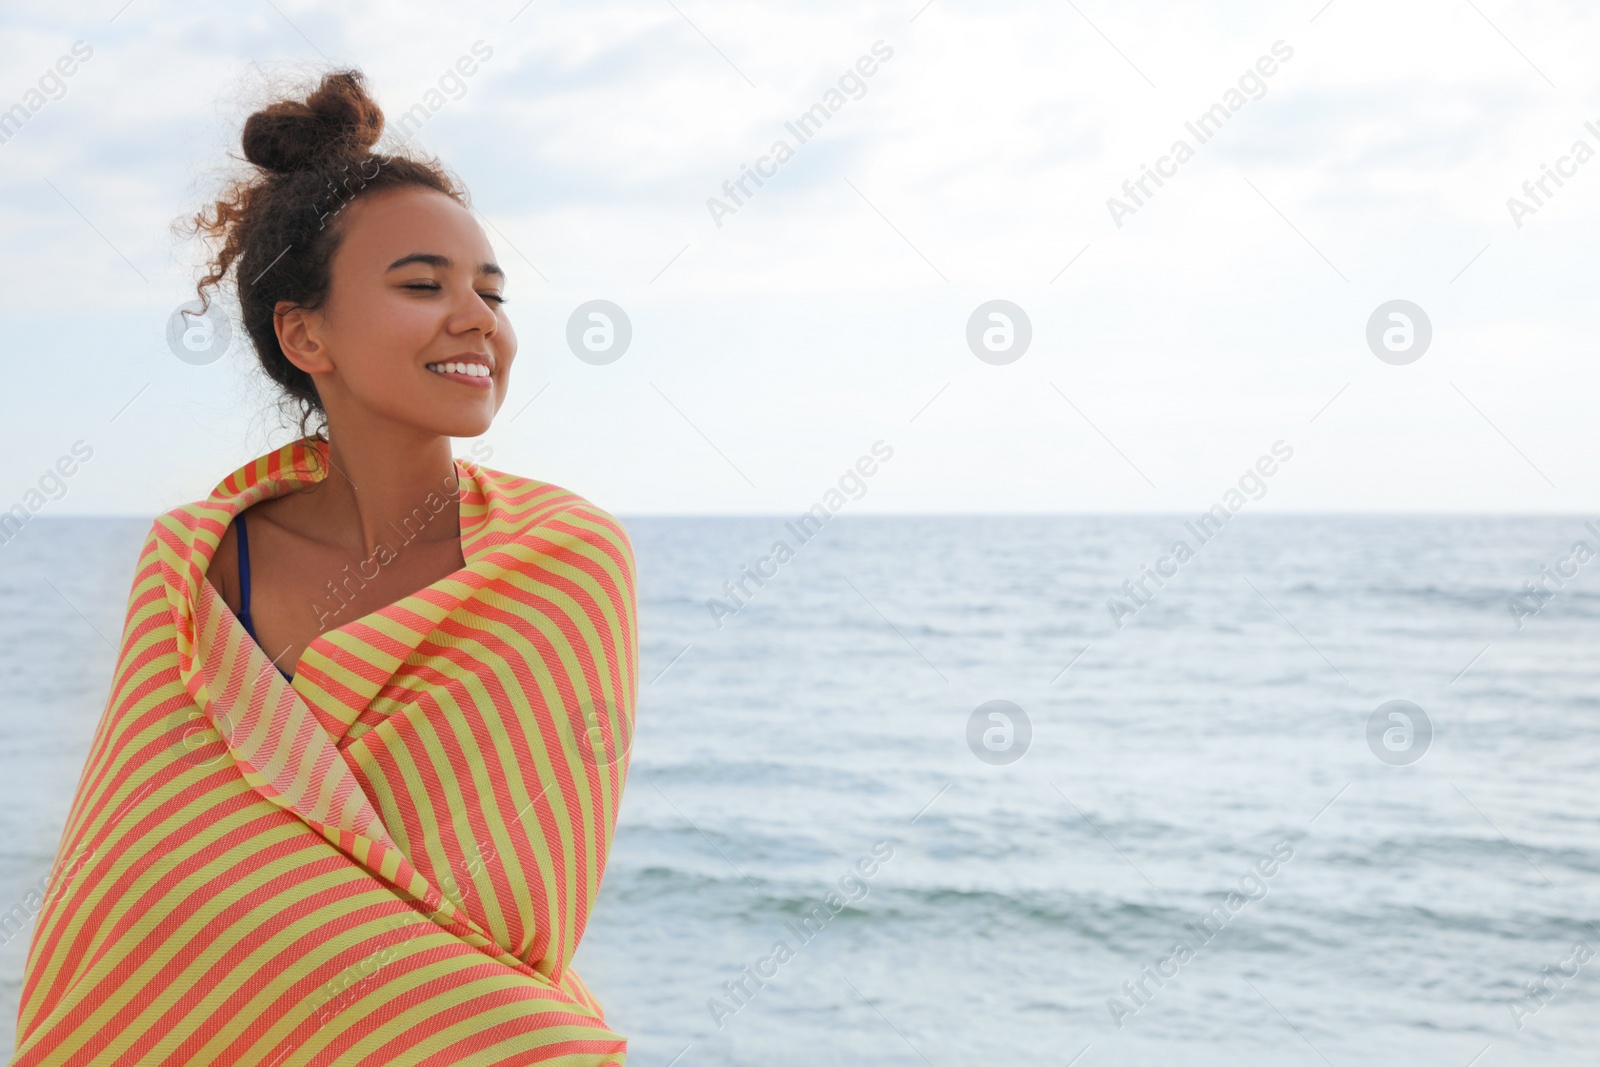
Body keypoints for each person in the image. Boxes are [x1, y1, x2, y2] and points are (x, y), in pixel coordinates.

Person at [10, 69, 637, 1066]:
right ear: (308, 334)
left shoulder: (563, 558)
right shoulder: (197, 562)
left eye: (492, 290)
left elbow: (525, 905)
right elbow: (128, 878)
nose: (476, 316)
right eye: (423, 284)